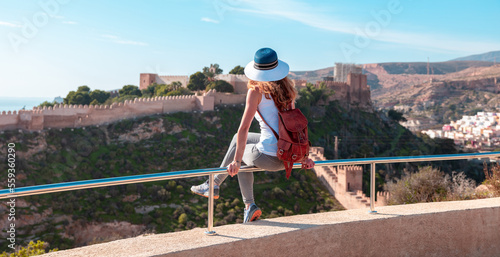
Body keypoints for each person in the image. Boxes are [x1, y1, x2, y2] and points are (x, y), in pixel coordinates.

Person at [191, 47, 315, 223]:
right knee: (238, 139)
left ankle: (248, 205)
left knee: (240, 156)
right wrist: (303, 158)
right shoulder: (288, 92)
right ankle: (214, 184)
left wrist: (235, 161)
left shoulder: (256, 92)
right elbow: (295, 129)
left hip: (268, 157)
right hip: (288, 155)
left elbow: (244, 127)